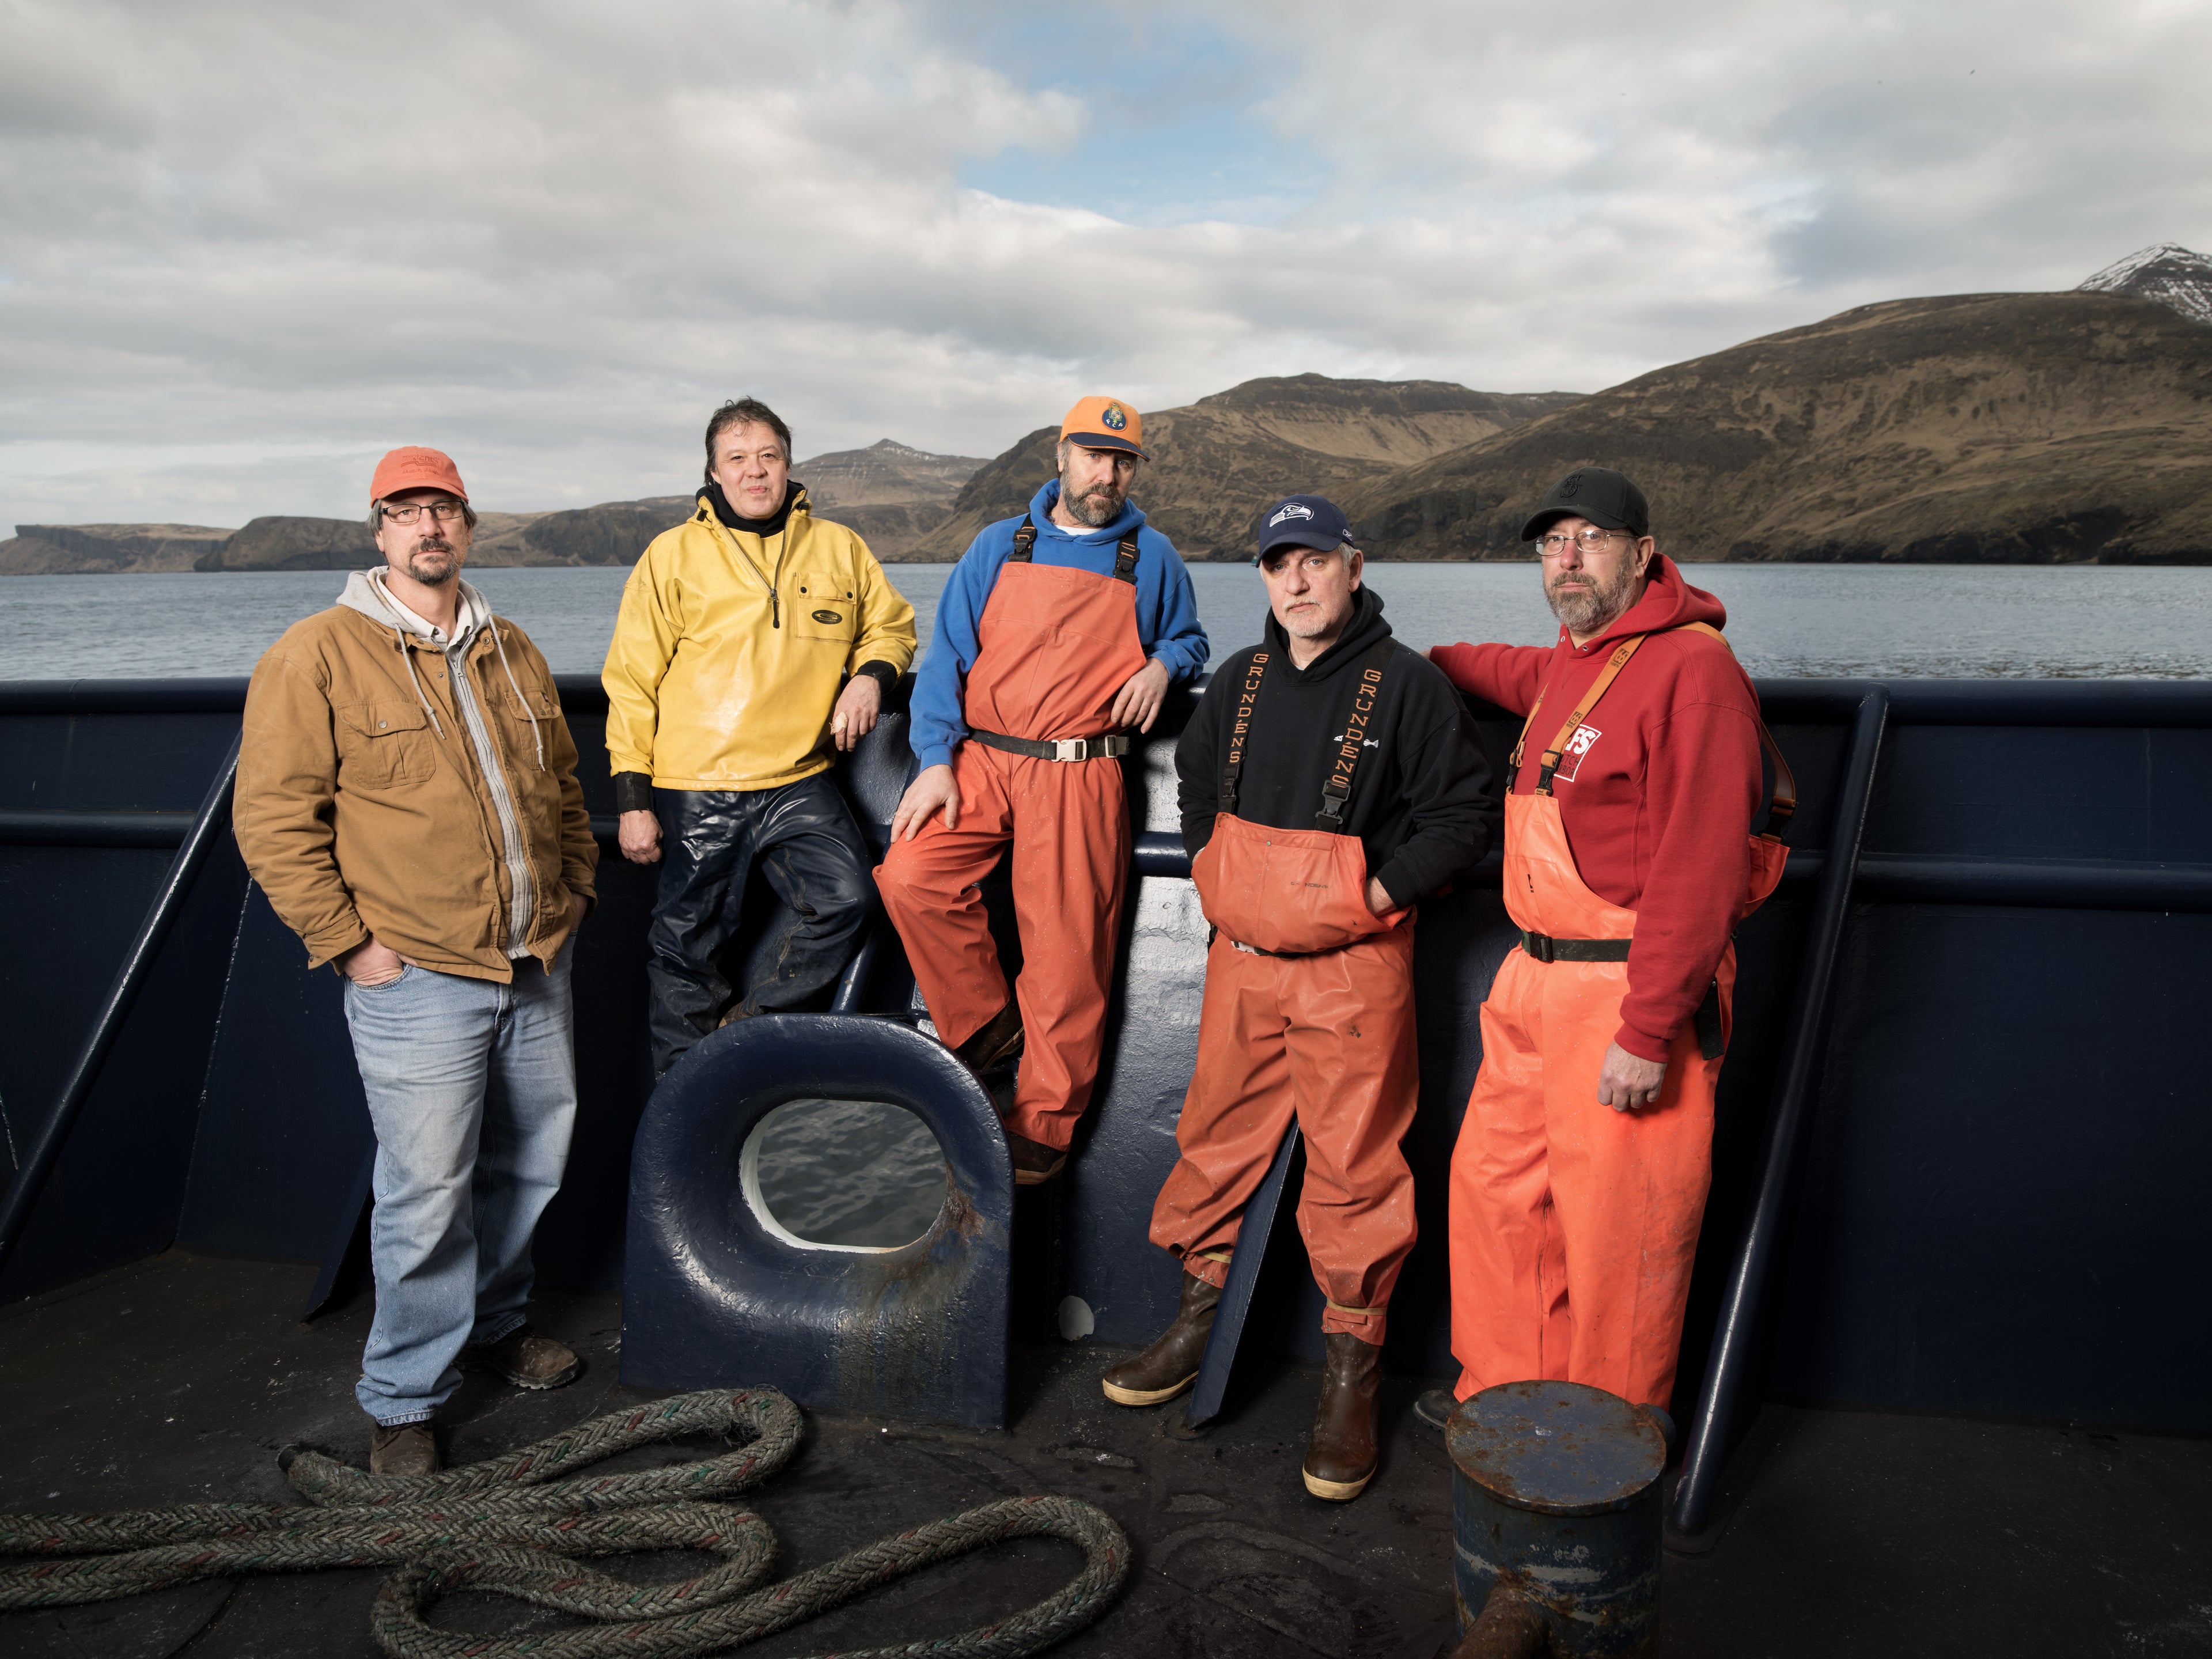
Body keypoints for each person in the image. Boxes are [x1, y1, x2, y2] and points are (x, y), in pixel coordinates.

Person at [1101, 495, 1493, 1501]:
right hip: (1241, 959)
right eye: (1279, 567)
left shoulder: (1408, 687)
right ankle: (1193, 1324)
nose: (1298, 582)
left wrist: (1372, 892)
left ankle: (1351, 1381)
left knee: (1356, 1171)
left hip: (1355, 971)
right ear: (1265, 581)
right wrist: (1214, 866)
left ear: (1353, 567)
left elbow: (1460, 816)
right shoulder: (1237, 680)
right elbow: (1193, 782)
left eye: (1315, 562)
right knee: (1213, 1139)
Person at [234, 446, 599, 1476]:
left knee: (529, 1164)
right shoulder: (316, 654)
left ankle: (496, 1327)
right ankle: (405, 1398)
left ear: (468, 526)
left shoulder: (513, 648)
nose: (428, 527)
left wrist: (574, 894)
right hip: (419, 973)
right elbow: (270, 819)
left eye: (444, 509)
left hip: (537, 961)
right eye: (406, 512)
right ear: (379, 531)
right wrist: (347, 941)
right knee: (426, 1190)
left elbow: (563, 790)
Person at [1425, 465, 1791, 1435]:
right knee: (1498, 1202)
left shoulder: (1693, 672)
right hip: (1532, 982)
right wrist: (1412, 657)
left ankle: (1602, 1458)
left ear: (1643, 550)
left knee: (1618, 1243)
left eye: (1591, 539)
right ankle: (1507, 1416)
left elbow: (1703, 869)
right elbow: (1496, 668)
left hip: (1624, 995)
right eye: (1554, 543)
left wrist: (1650, 1026)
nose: (1570, 558)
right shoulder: (1569, 664)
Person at [874, 397, 1208, 1183]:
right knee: (913, 875)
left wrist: (1165, 666)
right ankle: (986, 1025)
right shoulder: (999, 546)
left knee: (1068, 954)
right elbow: (949, 660)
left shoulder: (1151, 557)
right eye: (1094, 455)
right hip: (982, 760)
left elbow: (1189, 639)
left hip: (1080, 770)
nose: (1108, 473)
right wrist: (933, 760)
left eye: (1123, 461)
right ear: (1061, 455)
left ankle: (1044, 1127)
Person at [603, 398, 918, 1078]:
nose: (755, 473)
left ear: (788, 466)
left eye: (768, 457)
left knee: (849, 902)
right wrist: (632, 796)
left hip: (800, 778)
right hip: (697, 783)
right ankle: (682, 1098)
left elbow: (891, 627)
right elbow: (630, 681)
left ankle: (743, 1035)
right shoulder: (672, 555)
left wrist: (869, 678)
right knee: (687, 949)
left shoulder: (839, 547)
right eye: (737, 460)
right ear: (714, 473)